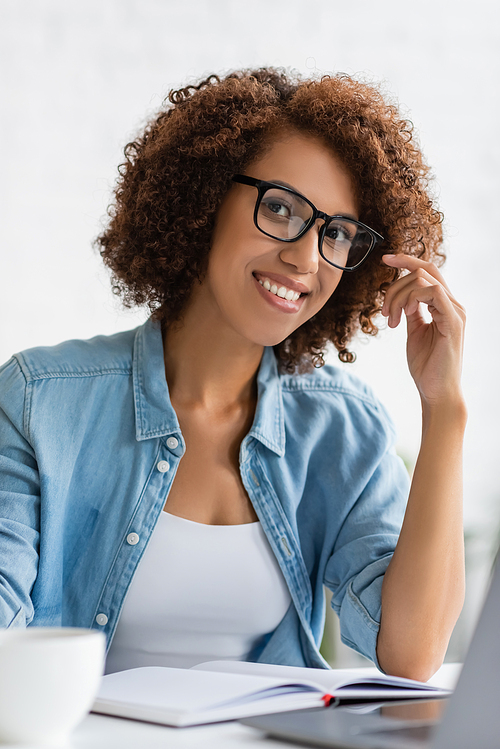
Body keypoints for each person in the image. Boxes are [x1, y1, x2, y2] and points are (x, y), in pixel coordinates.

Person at [0, 68, 466, 680]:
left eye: (337, 233)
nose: (304, 258)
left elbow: (412, 654)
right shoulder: (42, 401)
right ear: (203, 198)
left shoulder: (340, 426)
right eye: (279, 207)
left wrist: (445, 411)